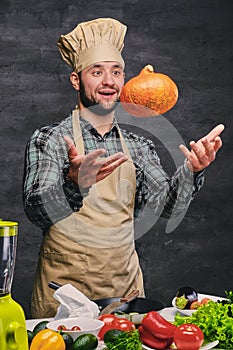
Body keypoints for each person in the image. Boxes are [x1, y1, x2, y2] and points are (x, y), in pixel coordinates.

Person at [23, 17, 224, 318]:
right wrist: (73, 182)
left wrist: (192, 171)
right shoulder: (50, 139)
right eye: (97, 72)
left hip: (125, 299)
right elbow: (36, 209)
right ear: (76, 80)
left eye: (116, 72)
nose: (108, 81)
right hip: (62, 300)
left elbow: (166, 204)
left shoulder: (139, 147)